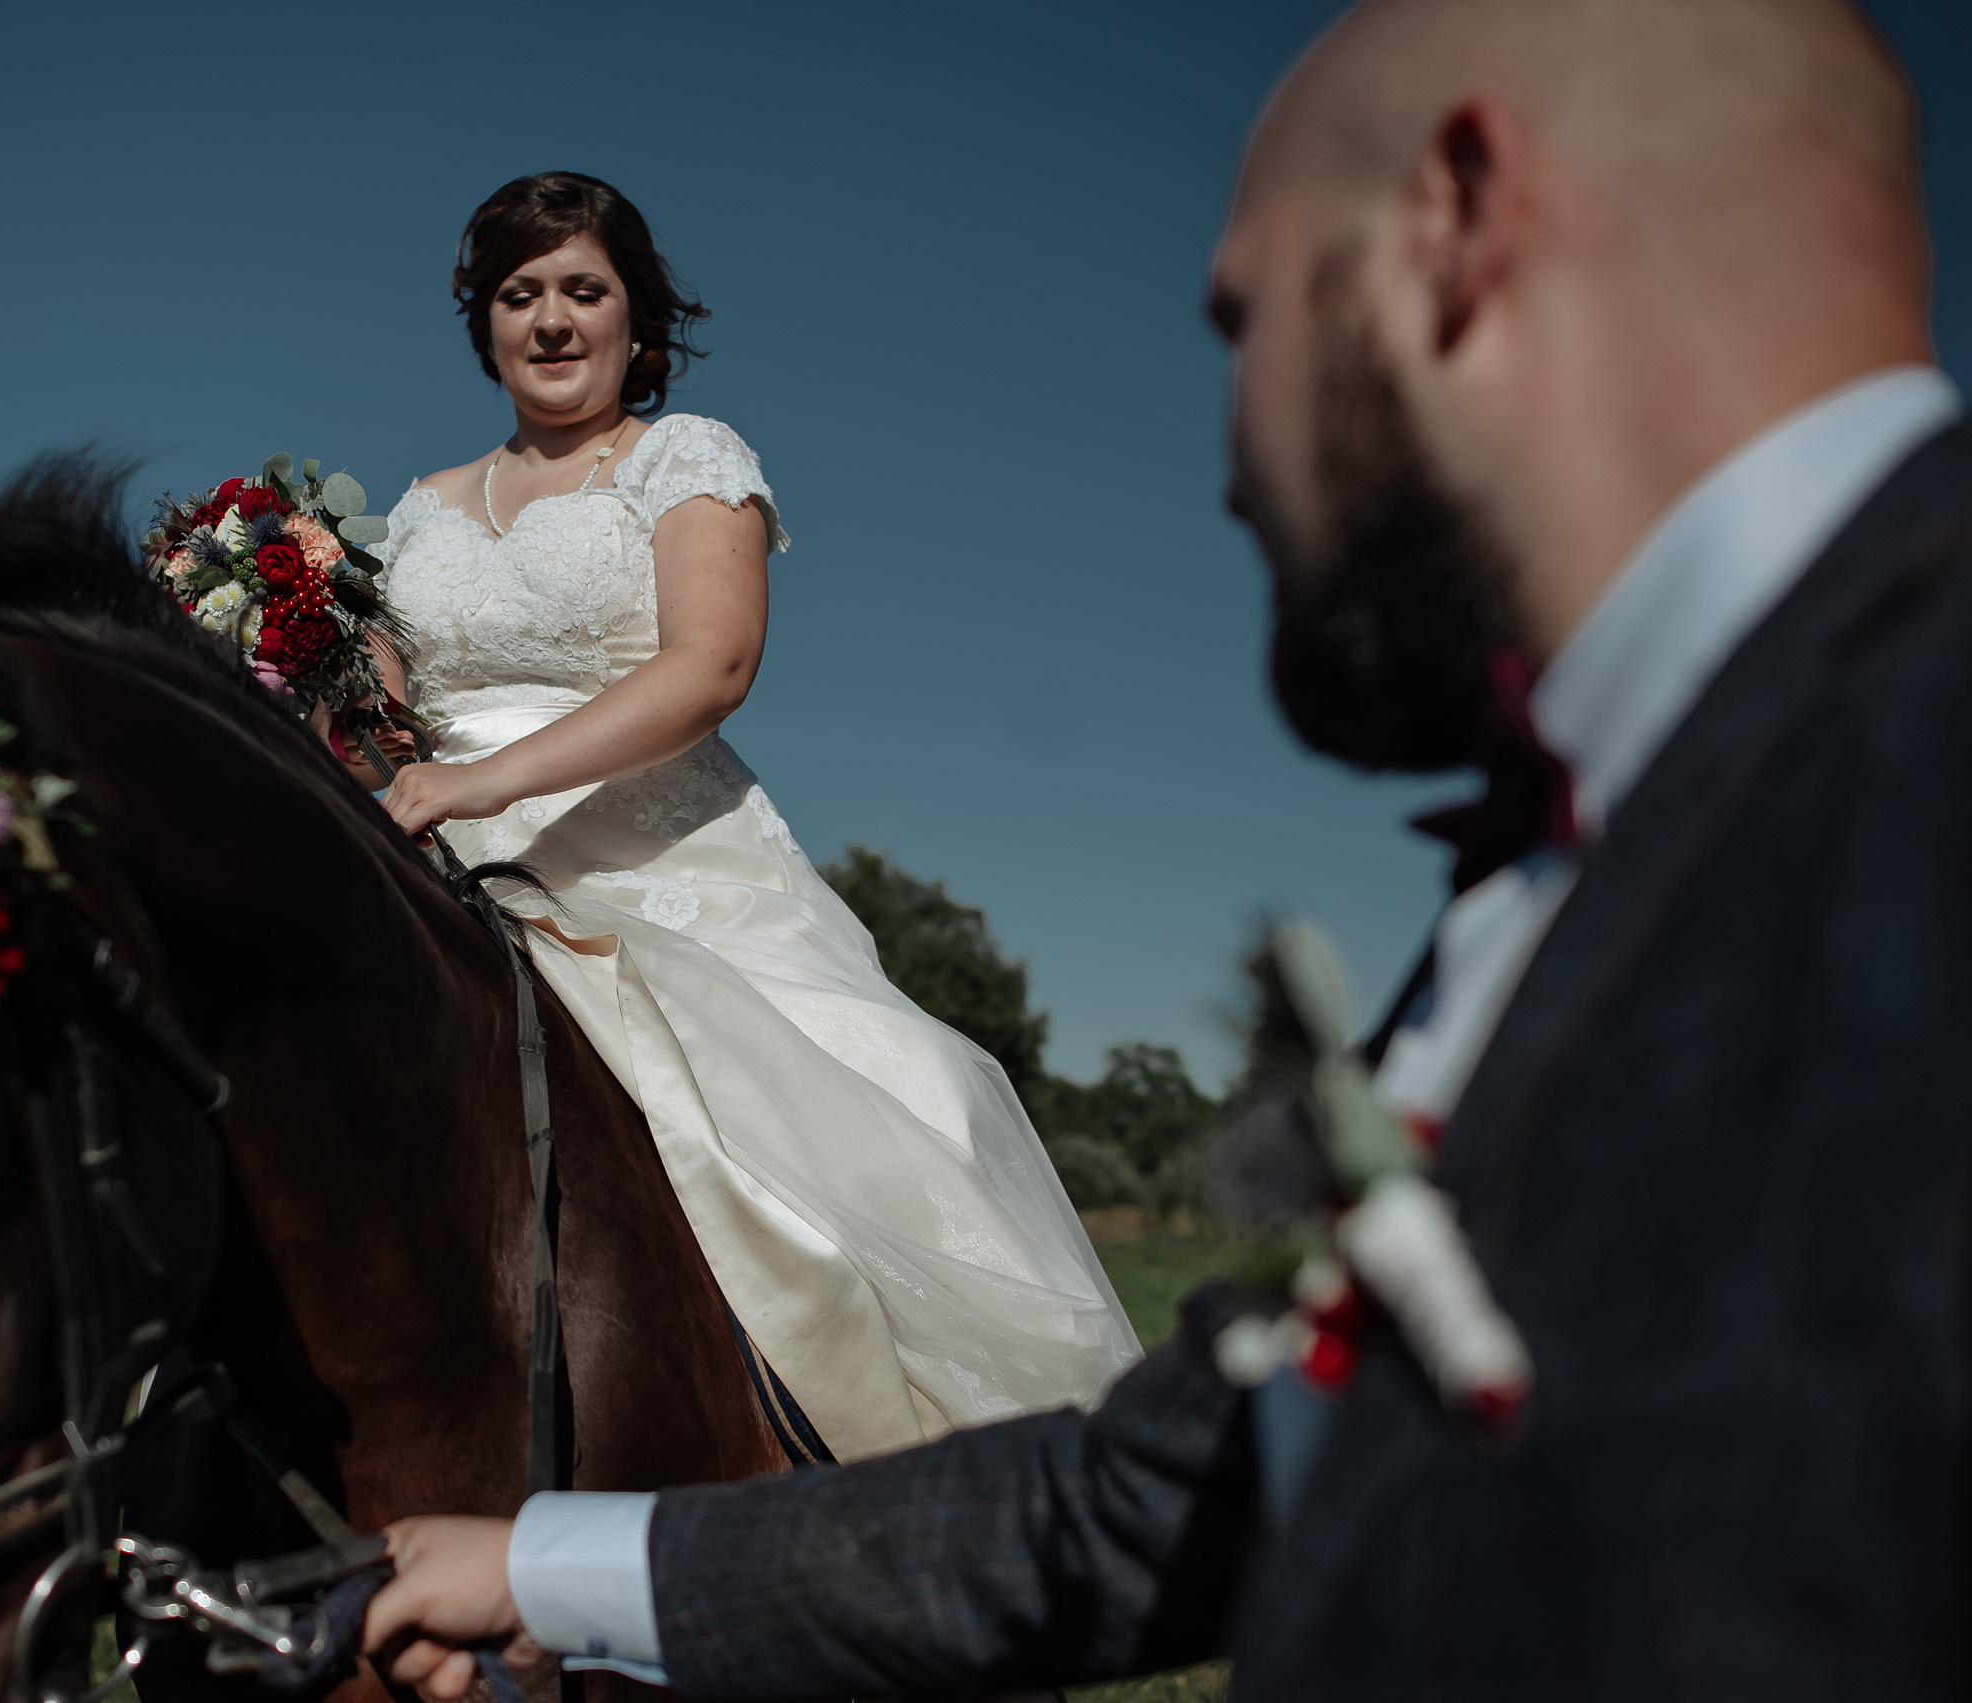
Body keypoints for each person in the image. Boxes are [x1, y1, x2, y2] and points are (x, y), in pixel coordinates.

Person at [360, 1, 1971, 1697]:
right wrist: (554, 1562)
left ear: (1457, 222)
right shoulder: (1574, 857)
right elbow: (1183, 1502)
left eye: (1242, 319)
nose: (1219, 476)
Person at [364, 172, 1139, 1466]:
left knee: (898, 1108)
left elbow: (708, 667)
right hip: (437, 849)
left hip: (656, 855)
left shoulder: (686, 457)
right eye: (520, 294)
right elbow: (388, 704)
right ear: (483, 321)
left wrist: (481, 785)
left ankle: (909, 1479)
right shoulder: (419, 511)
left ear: (635, 318)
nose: (552, 320)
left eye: (583, 290)